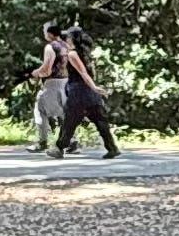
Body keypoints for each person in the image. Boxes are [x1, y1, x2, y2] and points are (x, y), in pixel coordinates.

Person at [36, 23, 120, 158]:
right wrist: (93, 88)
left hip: (78, 91)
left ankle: (59, 148)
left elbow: (83, 73)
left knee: (69, 120)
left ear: (72, 38)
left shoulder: (73, 54)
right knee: (100, 120)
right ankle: (112, 148)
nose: (66, 39)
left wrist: (94, 87)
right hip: (90, 93)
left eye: (68, 37)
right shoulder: (85, 53)